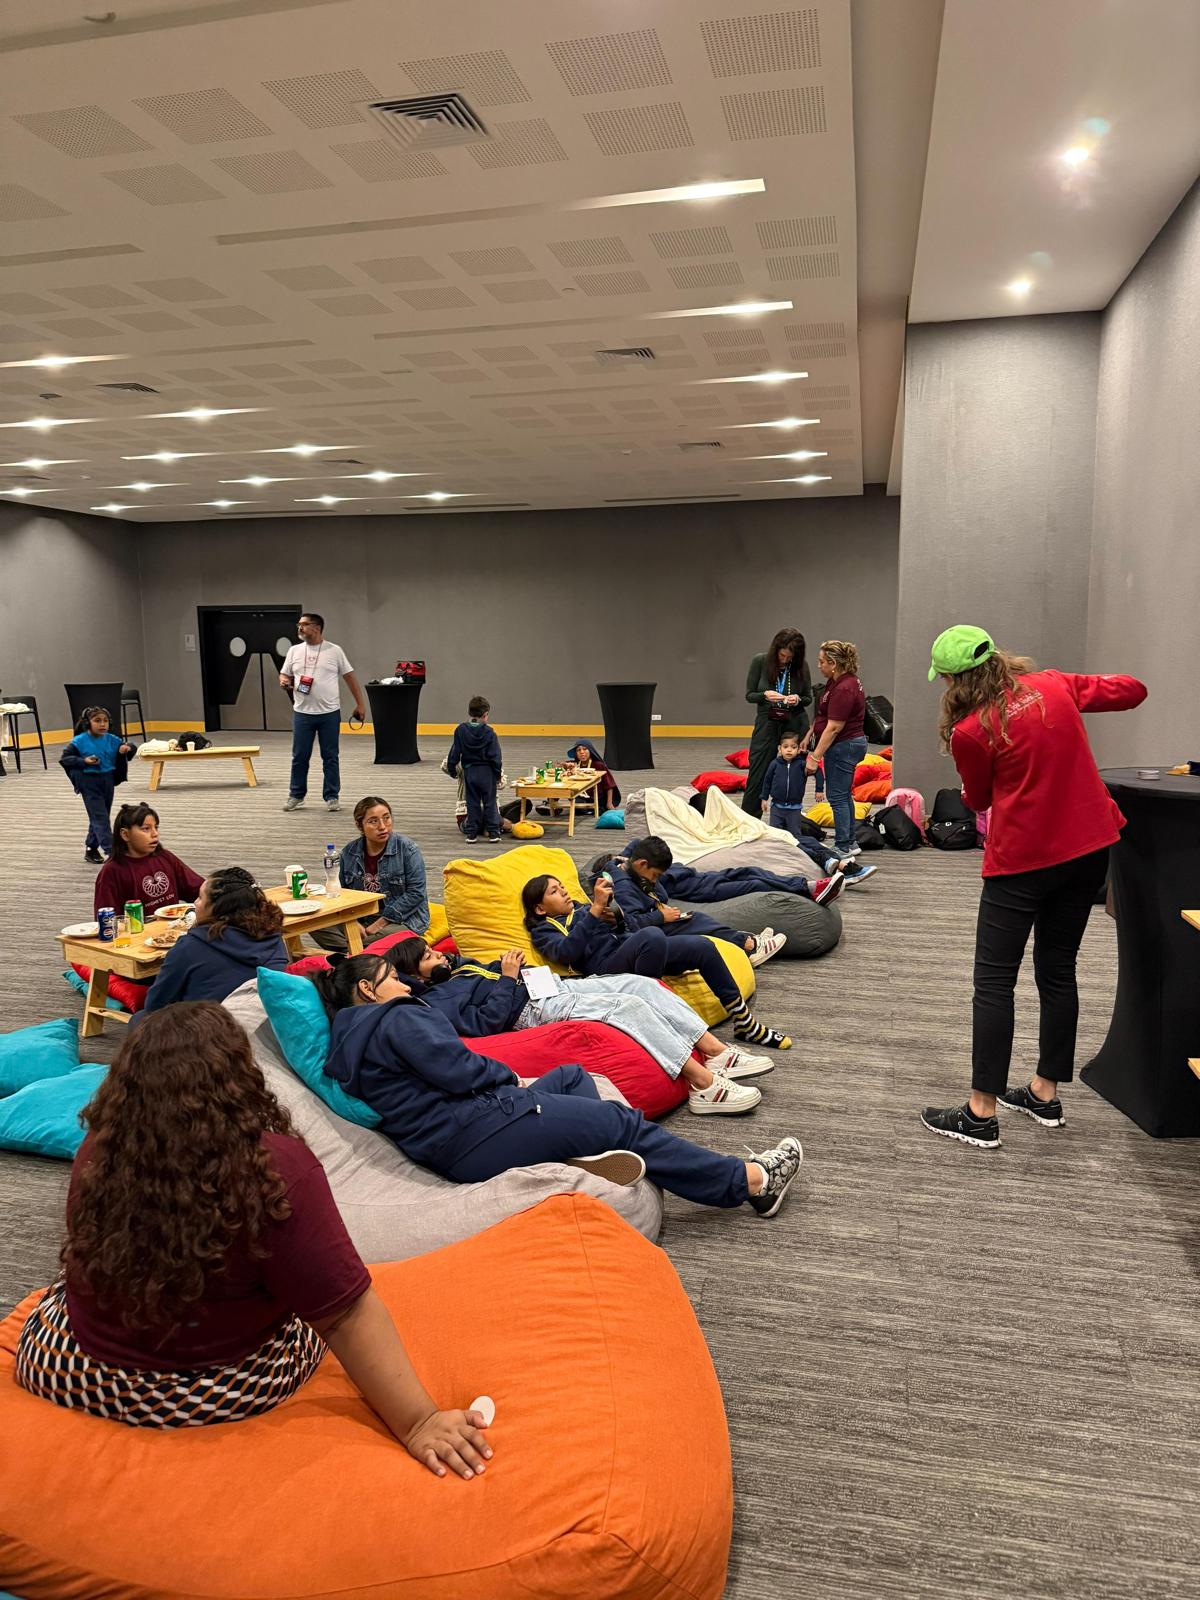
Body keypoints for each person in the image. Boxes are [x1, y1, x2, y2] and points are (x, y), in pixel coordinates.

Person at [15, 1004, 494, 1479]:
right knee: (315, 1309)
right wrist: (419, 1422)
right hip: (202, 1390)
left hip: (69, 1367)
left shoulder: (97, 1149)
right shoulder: (274, 1171)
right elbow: (345, 1315)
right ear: (239, 1077)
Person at [313, 955, 803, 1218]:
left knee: (572, 1076)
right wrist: (506, 1078)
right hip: (477, 1125)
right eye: (392, 978)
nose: (404, 984)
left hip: (452, 1140)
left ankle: (579, 1154)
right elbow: (459, 1070)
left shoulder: (348, 1042)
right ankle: (750, 1182)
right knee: (620, 1121)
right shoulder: (396, 1017)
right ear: (368, 990)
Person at [918, 625, 1147, 1151]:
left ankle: (981, 1113)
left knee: (994, 982)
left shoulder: (971, 730)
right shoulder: (1053, 685)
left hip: (1023, 862)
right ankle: (1044, 1092)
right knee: (1057, 968)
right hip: (1089, 851)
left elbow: (977, 800)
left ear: (954, 680)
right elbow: (1132, 690)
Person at [389, 936, 769, 1116]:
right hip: (531, 1008)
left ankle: (716, 1052)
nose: (440, 956)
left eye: (434, 950)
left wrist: (518, 971)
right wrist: (507, 977)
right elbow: (486, 1023)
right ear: (414, 975)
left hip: (550, 986)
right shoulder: (439, 999)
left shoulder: (459, 968)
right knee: (628, 1006)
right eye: (429, 957)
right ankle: (702, 1084)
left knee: (640, 984)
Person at [534, 865, 792, 1051]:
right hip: (604, 970)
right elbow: (566, 952)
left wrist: (616, 917)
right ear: (540, 908)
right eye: (554, 891)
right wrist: (595, 910)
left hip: (632, 950)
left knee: (701, 946)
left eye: (562, 886)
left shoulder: (582, 908)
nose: (564, 892)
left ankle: (744, 1022)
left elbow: (627, 927)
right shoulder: (544, 930)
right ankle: (660, 1020)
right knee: (652, 936)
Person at [140, 868, 289, 1016]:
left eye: (200, 898)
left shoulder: (190, 947)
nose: (195, 903)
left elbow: (154, 1005)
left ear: (217, 907)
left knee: (140, 1017)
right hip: (268, 1022)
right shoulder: (272, 935)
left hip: (208, 1027)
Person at [312, 796, 429, 953]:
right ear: (359, 825)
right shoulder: (349, 852)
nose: (382, 826)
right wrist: (351, 921)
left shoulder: (408, 850)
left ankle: (352, 952)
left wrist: (379, 924)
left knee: (395, 937)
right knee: (314, 922)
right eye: (373, 821)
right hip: (361, 919)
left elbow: (416, 893)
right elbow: (340, 892)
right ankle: (360, 952)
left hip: (400, 920)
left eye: (387, 818)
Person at [761, 730, 877, 887]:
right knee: (790, 838)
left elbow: (817, 772)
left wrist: (819, 789)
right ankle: (836, 862)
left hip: (793, 808)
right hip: (777, 808)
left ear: (798, 749)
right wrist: (764, 798)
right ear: (779, 748)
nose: (789, 750)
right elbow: (767, 780)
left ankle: (837, 861)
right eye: (785, 747)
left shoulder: (800, 764)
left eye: (793, 747)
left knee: (796, 837)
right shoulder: (775, 764)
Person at [280, 612, 366, 815]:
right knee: (299, 756)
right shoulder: (294, 651)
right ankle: (296, 795)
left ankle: (332, 796)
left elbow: (350, 678)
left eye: (304, 624)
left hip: (329, 713)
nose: (300, 627)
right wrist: (283, 680)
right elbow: (284, 673)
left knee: (330, 756)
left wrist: (360, 704)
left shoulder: (334, 651)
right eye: (299, 624)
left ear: (317, 628)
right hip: (302, 713)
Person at [803, 641, 867, 863]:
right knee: (843, 794)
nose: (818, 665)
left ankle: (842, 847)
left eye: (822, 661)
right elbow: (823, 714)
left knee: (837, 797)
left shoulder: (844, 688)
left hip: (844, 746)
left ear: (833, 663)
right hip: (846, 744)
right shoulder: (837, 681)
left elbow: (834, 727)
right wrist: (809, 734)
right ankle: (850, 841)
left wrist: (815, 757)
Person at [742, 628, 812, 816]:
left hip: (794, 722)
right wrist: (764, 695)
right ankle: (749, 820)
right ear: (775, 651)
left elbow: (808, 698)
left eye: (790, 657)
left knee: (794, 774)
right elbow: (749, 695)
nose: (785, 660)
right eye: (782, 655)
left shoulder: (801, 666)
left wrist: (797, 699)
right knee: (758, 772)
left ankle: (791, 819)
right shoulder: (760, 661)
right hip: (767, 721)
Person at [94, 803, 204, 920]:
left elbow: (197, 889)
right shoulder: (112, 871)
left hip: (174, 927)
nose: (155, 834)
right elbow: (107, 919)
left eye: (156, 827)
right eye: (146, 829)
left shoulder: (164, 857)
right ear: (125, 834)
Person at [59, 707, 137, 864]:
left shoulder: (112, 739)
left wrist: (127, 748)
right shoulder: (79, 741)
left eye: (105, 721)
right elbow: (65, 759)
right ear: (88, 723)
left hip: (107, 780)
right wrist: (83, 761)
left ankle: (91, 848)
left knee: (100, 816)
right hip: (88, 781)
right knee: (100, 818)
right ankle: (112, 853)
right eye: (97, 721)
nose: (102, 724)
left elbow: (131, 747)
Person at [446, 695, 502, 843]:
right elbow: (496, 756)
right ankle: (494, 832)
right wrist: (497, 774)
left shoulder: (460, 730)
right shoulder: (490, 732)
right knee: (490, 802)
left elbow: (454, 753)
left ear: (470, 712)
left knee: (472, 803)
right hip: (487, 772)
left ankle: (471, 833)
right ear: (485, 714)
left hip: (469, 772)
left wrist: (452, 769)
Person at [569, 739, 620, 812]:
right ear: (576, 754)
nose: (582, 752)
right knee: (578, 808)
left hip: (597, 797)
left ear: (590, 751)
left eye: (585, 749)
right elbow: (559, 766)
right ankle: (554, 805)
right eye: (578, 750)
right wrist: (564, 766)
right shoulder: (574, 765)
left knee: (599, 810)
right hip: (582, 796)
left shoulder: (599, 765)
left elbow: (609, 785)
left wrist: (609, 804)